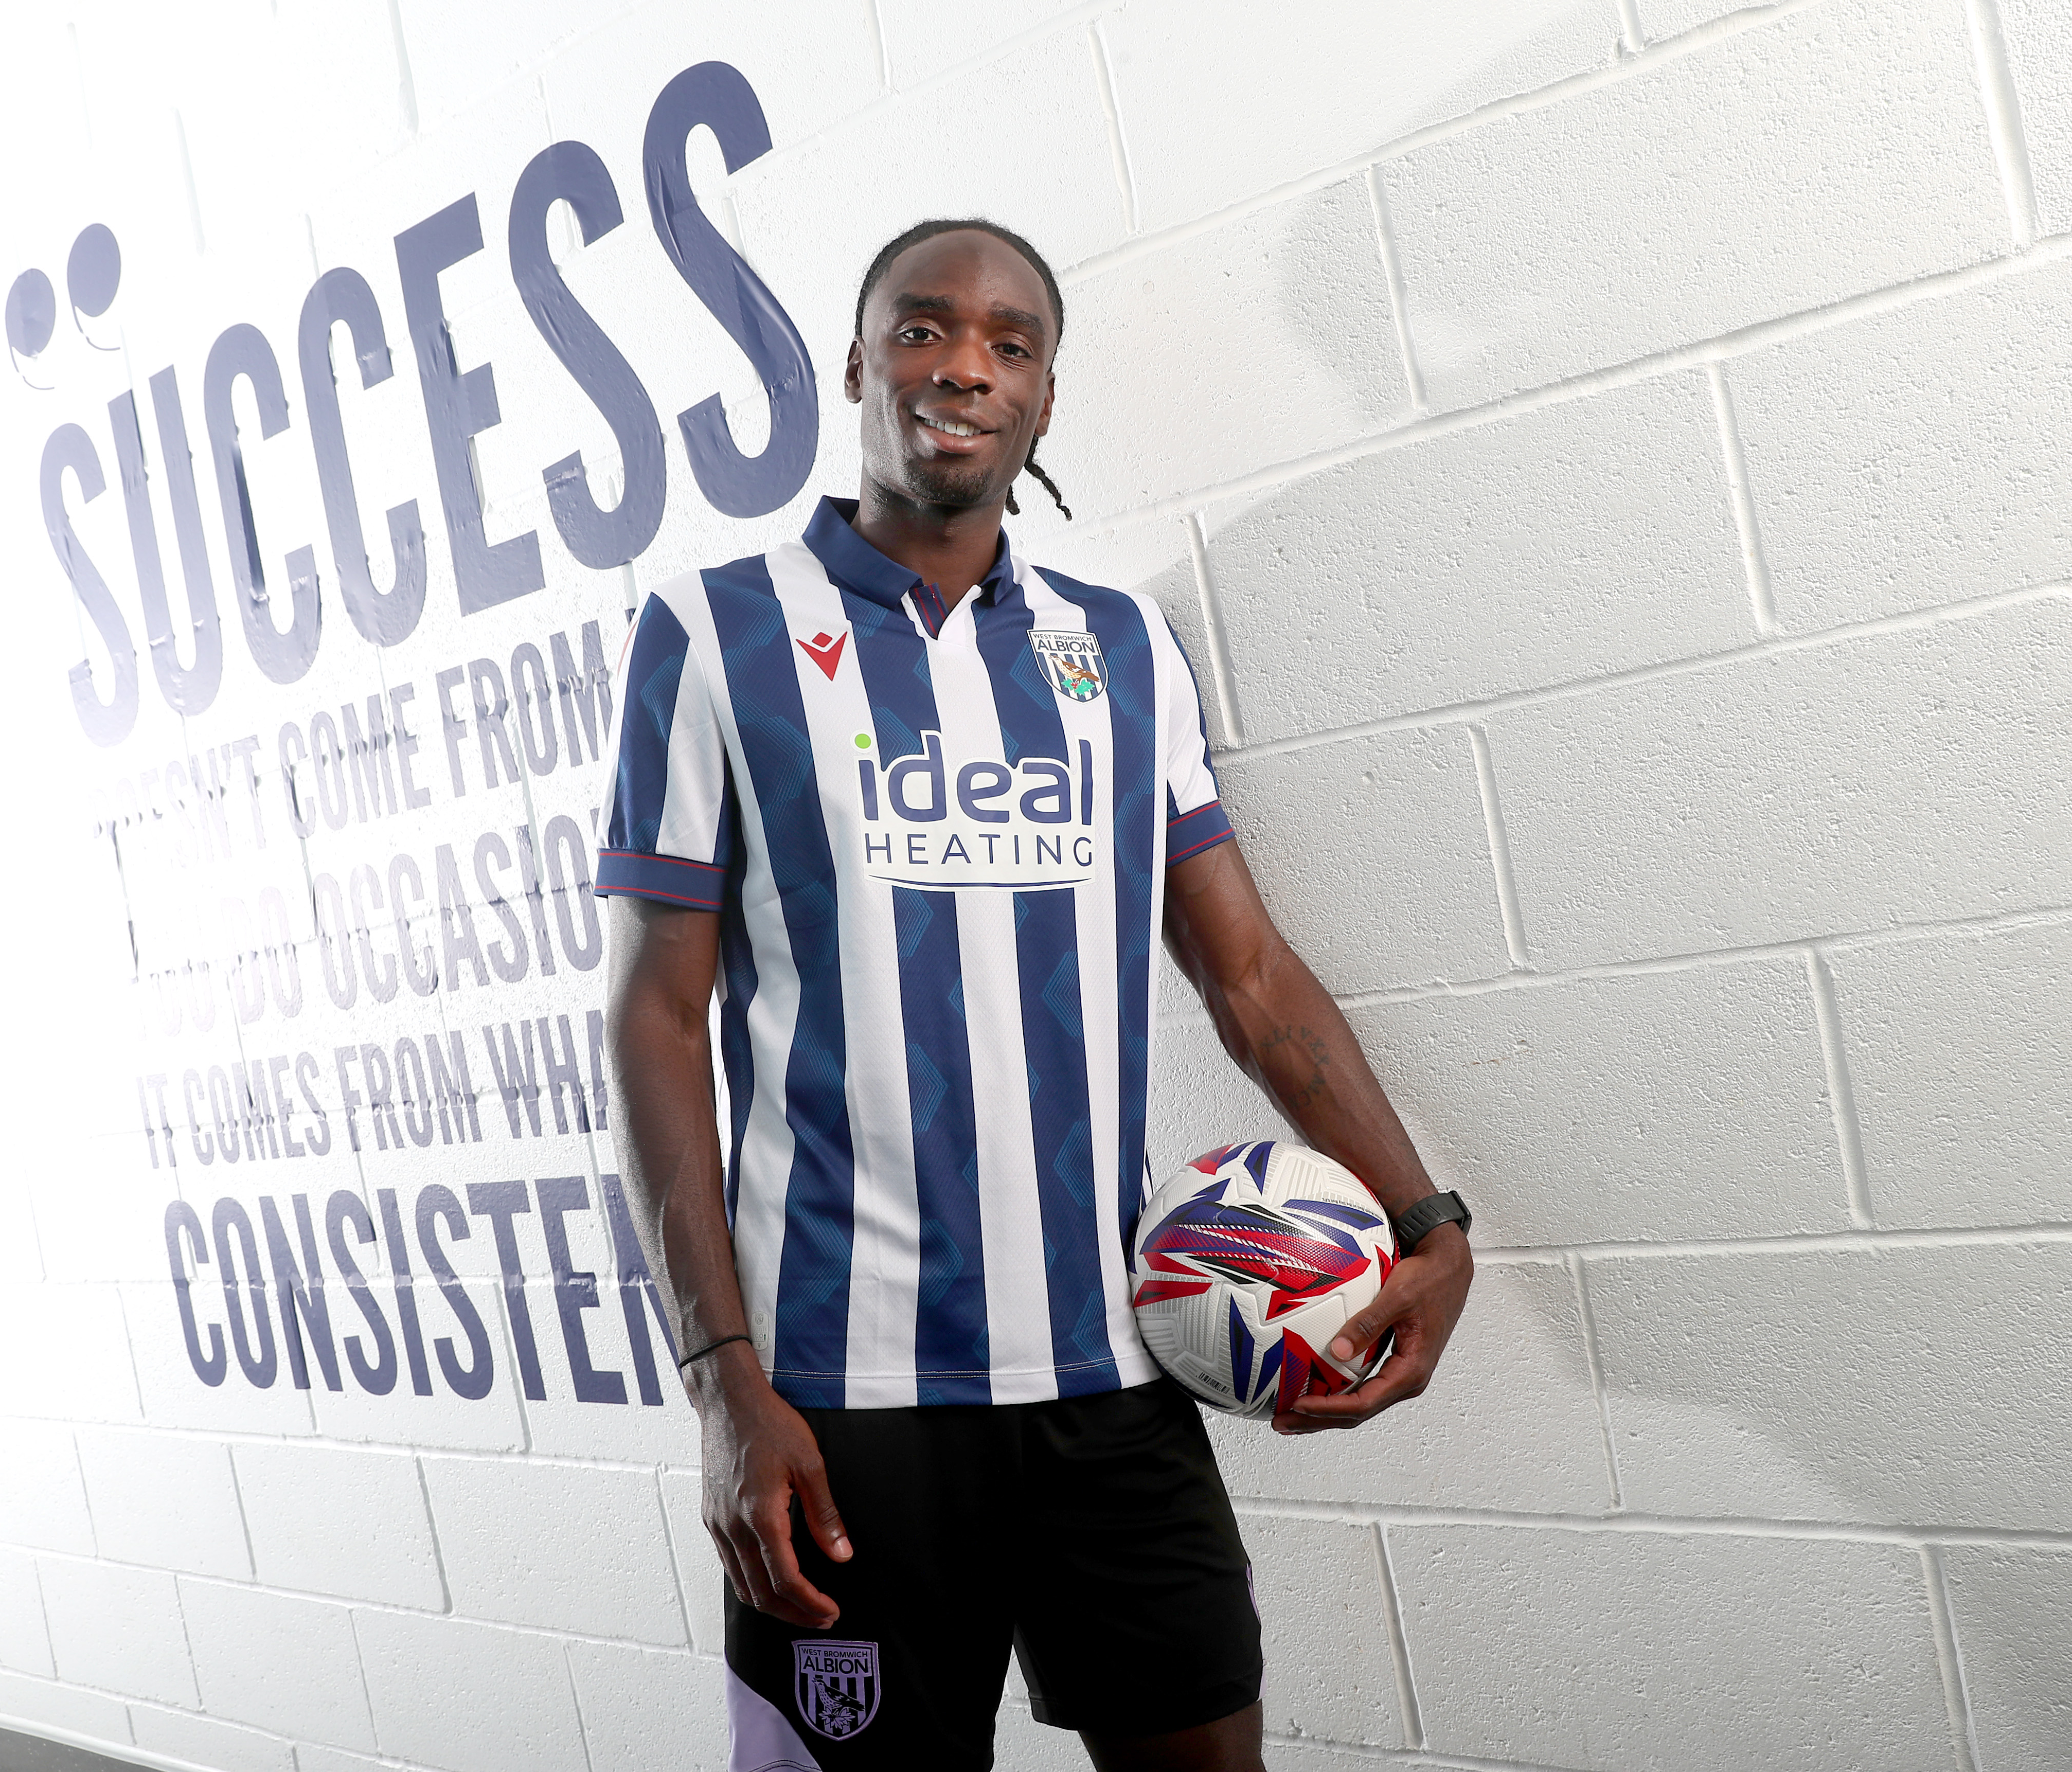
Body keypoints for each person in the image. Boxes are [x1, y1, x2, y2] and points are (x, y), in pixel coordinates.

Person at [598, 217, 1475, 1772]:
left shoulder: (1120, 648)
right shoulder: (715, 634)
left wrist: (1429, 1222)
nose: (966, 368)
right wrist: (725, 1385)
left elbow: (1250, 977)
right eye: (925, 329)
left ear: (1047, 400)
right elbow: (654, 1022)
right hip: (839, 1404)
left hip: (1116, 1380)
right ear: (857, 362)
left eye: (1012, 345)